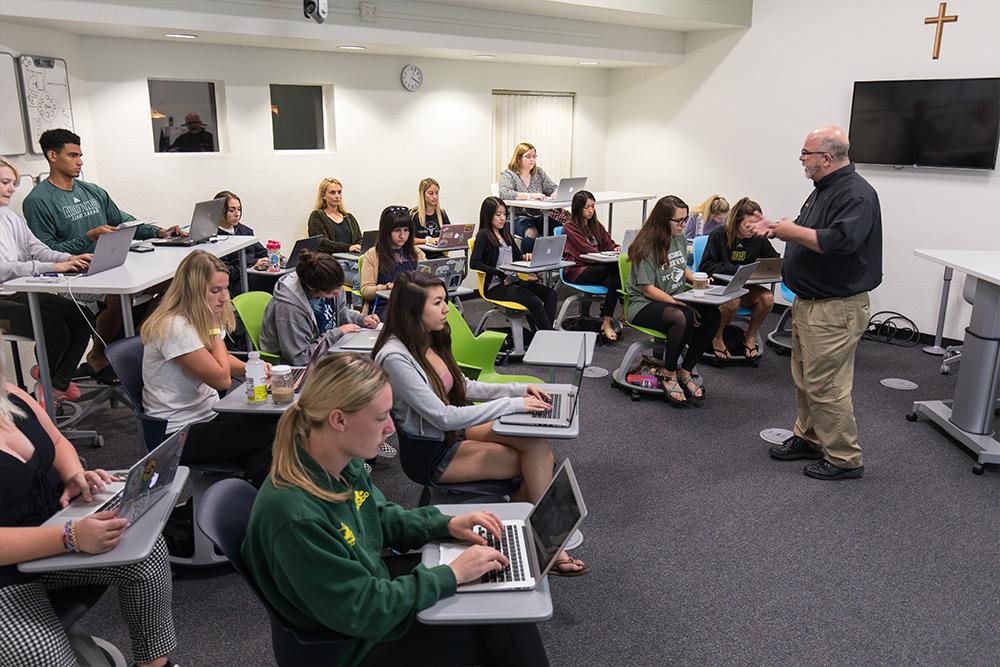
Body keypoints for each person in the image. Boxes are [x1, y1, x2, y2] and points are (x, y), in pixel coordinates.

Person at [242, 353, 551, 667]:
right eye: (380, 418)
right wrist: (452, 574)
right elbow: (364, 611)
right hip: (353, 644)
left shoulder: (339, 462)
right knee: (497, 614)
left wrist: (447, 524)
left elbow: (382, 518)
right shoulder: (296, 516)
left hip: (369, 594)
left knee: (494, 596)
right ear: (338, 420)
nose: (391, 428)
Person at [372, 271, 586, 576]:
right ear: (413, 309)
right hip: (432, 452)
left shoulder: (427, 338)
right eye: (438, 302)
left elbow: (464, 386)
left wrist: (517, 389)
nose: (447, 308)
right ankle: (543, 545)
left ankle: (522, 533)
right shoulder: (395, 356)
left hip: (451, 433)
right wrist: (512, 405)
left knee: (536, 446)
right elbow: (442, 416)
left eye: (444, 300)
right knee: (534, 461)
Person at [0, 338, 179, 667]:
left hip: (55, 527)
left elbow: (56, 439)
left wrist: (73, 475)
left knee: (146, 556)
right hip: (8, 571)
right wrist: (69, 537)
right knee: (43, 658)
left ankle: (154, 664)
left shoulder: (10, 395)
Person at [750, 126, 881, 481]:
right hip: (812, 304)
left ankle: (844, 457)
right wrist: (781, 226)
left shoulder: (856, 194)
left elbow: (839, 242)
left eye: (806, 154)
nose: (802, 160)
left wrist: (790, 232)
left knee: (826, 384)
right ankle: (809, 437)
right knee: (806, 378)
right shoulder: (824, 190)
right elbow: (811, 232)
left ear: (826, 158)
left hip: (835, 308)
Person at [22, 128, 184, 383]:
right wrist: (89, 237)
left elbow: (124, 221)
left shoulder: (92, 191)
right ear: (52, 156)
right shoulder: (38, 201)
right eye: (73, 155)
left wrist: (161, 231)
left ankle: (137, 345)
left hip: (113, 264)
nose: (80, 161)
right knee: (116, 295)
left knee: (178, 284)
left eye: (80, 155)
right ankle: (98, 356)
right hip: (77, 275)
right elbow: (46, 251)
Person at [141, 250, 277, 488]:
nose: (225, 297)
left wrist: (252, 368)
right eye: (216, 291)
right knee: (272, 438)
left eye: (225, 289)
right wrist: (215, 330)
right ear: (193, 292)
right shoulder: (175, 327)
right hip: (176, 434)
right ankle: (247, 502)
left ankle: (239, 497)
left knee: (280, 423)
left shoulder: (198, 317)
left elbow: (220, 360)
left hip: (207, 414)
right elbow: (222, 379)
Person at [0, 157, 93, 403]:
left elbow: (38, 249)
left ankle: (54, 383)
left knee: (82, 316)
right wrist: (52, 266)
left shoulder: (10, 218)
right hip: (2, 298)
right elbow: (3, 269)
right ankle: (52, 384)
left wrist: (71, 258)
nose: (11, 188)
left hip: (18, 290)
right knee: (55, 329)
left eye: (13, 183)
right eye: (4, 182)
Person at [625, 195, 721, 406]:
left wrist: (697, 279)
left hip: (675, 297)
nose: (683, 225)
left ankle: (685, 370)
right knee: (682, 316)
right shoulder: (645, 246)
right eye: (679, 221)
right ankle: (669, 374)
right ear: (663, 221)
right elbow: (648, 289)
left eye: (685, 219)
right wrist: (679, 303)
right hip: (643, 304)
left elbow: (681, 266)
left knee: (713, 314)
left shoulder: (677, 237)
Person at [260, 250, 378, 365]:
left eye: (340, 287)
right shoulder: (289, 307)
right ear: (312, 287)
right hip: (295, 365)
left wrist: (361, 319)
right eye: (331, 292)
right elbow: (300, 358)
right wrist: (337, 333)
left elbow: (339, 312)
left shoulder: (331, 283)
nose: (338, 293)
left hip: (326, 348)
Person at [699, 196, 779, 360]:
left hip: (745, 288)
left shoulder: (758, 238)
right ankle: (717, 337)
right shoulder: (718, 235)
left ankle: (750, 335)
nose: (753, 230)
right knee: (733, 300)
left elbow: (773, 258)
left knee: (768, 298)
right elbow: (706, 266)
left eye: (756, 226)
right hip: (721, 287)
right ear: (736, 222)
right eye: (748, 226)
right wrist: (736, 270)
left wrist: (766, 268)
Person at [470, 197, 557, 331]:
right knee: (533, 301)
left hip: (514, 281)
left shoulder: (506, 234)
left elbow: (518, 256)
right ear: (488, 215)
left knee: (551, 294)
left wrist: (527, 257)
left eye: (504, 214)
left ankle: (543, 334)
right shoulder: (483, 235)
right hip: (496, 285)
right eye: (498, 215)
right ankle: (546, 336)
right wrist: (500, 274)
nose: (502, 218)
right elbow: (474, 263)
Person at [561, 189, 622, 341]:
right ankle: (624, 310)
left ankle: (606, 321)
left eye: (593, 206)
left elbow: (608, 242)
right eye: (586, 207)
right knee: (614, 270)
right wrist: (604, 256)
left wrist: (616, 248)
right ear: (578, 208)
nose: (590, 210)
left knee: (614, 280)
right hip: (577, 270)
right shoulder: (570, 226)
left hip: (598, 268)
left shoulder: (595, 224)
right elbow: (585, 250)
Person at [497, 142, 567, 253]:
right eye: (528, 156)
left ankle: (552, 261)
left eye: (534, 157)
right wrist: (530, 196)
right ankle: (527, 264)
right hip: (516, 217)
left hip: (538, 215)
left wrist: (555, 192)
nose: (532, 160)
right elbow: (504, 193)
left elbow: (552, 187)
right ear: (518, 158)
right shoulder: (509, 174)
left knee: (560, 229)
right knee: (531, 232)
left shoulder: (538, 173)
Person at [360, 206, 426, 317]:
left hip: (412, 303)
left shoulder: (417, 253)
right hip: (385, 306)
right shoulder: (373, 255)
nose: (402, 235)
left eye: (406, 230)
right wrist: (385, 287)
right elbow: (366, 291)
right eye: (397, 231)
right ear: (386, 232)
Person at [213, 190, 269, 297]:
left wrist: (273, 257)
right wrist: (253, 264)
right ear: (219, 211)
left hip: (253, 275)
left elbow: (262, 252)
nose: (237, 214)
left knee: (284, 276)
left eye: (239, 209)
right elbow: (226, 272)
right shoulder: (213, 238)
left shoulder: (245, 231)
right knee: (273, 281)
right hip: (235, 284)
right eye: (231, 210)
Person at [307, 178, 362, 255]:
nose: (337, 196)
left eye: (339, 192)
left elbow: (359, 238)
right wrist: (348, 248)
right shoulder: (317, 216)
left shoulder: (349, 217)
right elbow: (321, 243)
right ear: (323, 196)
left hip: (353, 257)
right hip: (331, 261)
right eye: (332, 193)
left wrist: (360, 246)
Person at [410, 177, 451, 247]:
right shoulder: (413, 214)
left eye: (437, 193)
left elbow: (450, 235)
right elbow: (409, 240)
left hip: (439, 255)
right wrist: (428, 240)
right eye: (430, 193)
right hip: (420, 255)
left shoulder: (442, 213)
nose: (435, 197)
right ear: (423, 194)